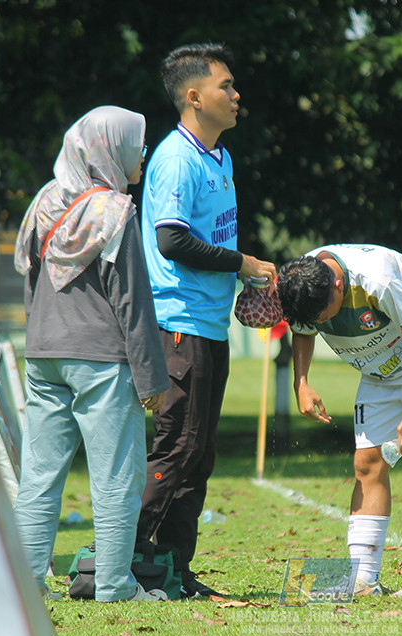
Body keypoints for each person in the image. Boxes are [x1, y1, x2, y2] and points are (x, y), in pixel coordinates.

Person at [13, 106, 170, 602]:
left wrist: (37, 342)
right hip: (101, 359)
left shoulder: (43, 201)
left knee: (38, 476)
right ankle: (116, 585)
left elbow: (31, 281)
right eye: (137, 145)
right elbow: (132, 301)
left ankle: (27, 582)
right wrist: (153, 382)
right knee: (117, 478)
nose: (142, 154)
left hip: (42, 354)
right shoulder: (115, 210)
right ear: (110, 146)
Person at [137, 43, 276, 599]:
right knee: (178, 446)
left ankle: (172, 571)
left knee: (200, 452)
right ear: (195, 97)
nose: (236, 95)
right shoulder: (176, 157)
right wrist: (242, 263)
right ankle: (120, 560)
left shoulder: (220, 157)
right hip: (178, 322)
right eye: (226, 86)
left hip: (208, 325)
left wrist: (243, 277)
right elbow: (171, 240)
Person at [277, 244, 402, 599]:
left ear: (338, 286)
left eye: (325, 315)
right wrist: (300, 383)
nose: (323, 323)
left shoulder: (377, 280)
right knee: (367, 463)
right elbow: (303, 329)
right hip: (378, 367)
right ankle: (364, 579)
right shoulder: (303, 281)